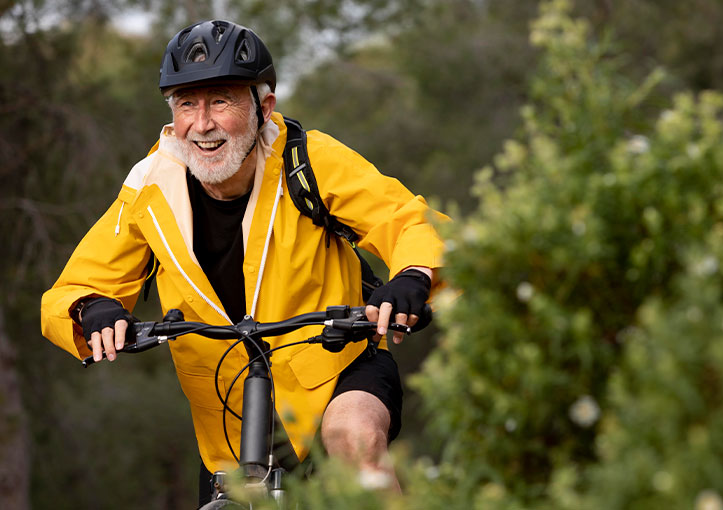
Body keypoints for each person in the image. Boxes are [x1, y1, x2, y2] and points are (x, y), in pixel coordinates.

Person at [40, 19, 446, 504]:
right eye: (187, 104)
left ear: (263, 107)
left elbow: (410, 221)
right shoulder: (151, 188)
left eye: (221, 101)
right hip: (227, 414)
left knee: (354, 438)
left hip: (336, 374)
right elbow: (73, 288)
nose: (202, 123)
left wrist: (413, 277)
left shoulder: (308, 162)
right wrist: (92, 308)